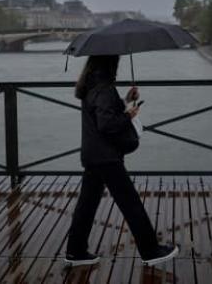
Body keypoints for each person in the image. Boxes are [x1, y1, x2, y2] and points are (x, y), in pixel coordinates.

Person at [65, 55, 179, 267]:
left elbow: (102, 111)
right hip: (106, 157)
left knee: (87, 204)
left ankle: (75, 250)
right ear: (110, 63)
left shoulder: (91, 84)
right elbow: (106, 124)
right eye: (116, 62)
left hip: (92, 153)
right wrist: (129, 115)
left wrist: (126, 100)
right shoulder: (105, 88)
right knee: (131, 203)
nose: (117, 66)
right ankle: (151, 250)